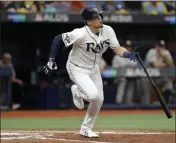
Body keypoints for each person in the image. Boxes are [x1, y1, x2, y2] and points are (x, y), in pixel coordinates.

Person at [43, 7, 136, 138]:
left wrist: (127, 54)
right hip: (77, 68)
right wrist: (51, 60)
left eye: (100, 16)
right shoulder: (80, 33)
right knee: (93, 95)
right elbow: (58, 39)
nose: (100, 19)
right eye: (96, 17)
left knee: (99, 100)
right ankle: (77, 91)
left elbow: (117, 48)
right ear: (88, 21)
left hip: (94, 68)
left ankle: (85, 128)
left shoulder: (108, 30)